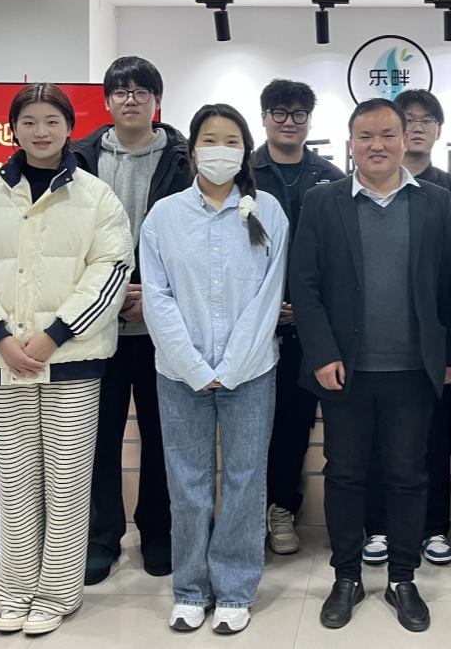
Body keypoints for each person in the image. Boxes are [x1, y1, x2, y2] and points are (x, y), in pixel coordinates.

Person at [0, 83, 133, 636]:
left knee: (68, 482)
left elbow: (110, 271)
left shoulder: (97, 197)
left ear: (69, 127)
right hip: (2, 361)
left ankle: (57, 593)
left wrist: (54, 335)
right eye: (29, 121)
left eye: (52, 120)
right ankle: (16, 589)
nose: (41, 131)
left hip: (72, 360)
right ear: (14, 129)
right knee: (16, 483)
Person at [290, 98, 451, 633]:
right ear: (350, 143)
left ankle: (402, 579)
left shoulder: (436, 201)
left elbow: (449, 282)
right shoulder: (323, 201)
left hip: (414, 369)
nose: (378, 145)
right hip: (345, 369)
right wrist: (322, 353)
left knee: (408, 475)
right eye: (365, 136)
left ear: (406, 138)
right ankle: (346, 577)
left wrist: (449, 355)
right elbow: (305, 285)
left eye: (388, 134)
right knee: (344, 475)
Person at [141, 103, 289, 635]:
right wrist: (192, 364)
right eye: (210, 139)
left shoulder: (268, 210)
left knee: (246, 480)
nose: (219, 150)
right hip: (179, 372)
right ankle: (190, 588)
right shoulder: (164, 216)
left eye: (231, 141)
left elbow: (269, 296)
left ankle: (235, 588)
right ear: (192, 151)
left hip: (251, 372)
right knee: (188, 482)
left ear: (244, 152)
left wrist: (231, 365)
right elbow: (156, 296)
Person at [74, 56, 193, 585]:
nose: (131, 100)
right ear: (106, 101)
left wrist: (158, 296)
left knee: (164, 436)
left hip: (163, 325)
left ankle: (158, 532)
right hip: (96, 325)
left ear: (157, 101)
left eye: (142, 91)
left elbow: (194, 239)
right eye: (121, 91)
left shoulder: (184, 158)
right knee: (97, 437)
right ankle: (101, 536)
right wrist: (109, 293)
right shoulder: (78, 159)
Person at [360, 89, 451, 570]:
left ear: (438, 131)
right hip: (375, 342)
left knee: (434, 437)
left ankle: (435, 527)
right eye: (407, 120)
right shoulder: (365, 188)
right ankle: (379, 527)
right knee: (376, 439)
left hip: (431, 341)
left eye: (426, 120)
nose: (416, 127)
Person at [251, 78, 346, 556]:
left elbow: (341, 255)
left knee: (296, 423)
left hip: (311, 328)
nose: (289, 122)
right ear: (264, 117)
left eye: (298, 114)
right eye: (279, 112)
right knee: (252, 427)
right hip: (250, 325)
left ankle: (286, 508)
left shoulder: (330, 176)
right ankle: (254, 513)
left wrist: (303, 310)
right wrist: (268, 306)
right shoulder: (243, 173)